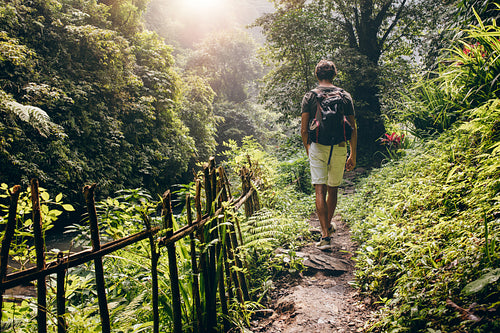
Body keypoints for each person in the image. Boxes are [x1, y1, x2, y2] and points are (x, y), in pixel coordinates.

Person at [300, 59, 357, 250]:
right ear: (334, 75)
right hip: (340, 146)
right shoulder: (345, 96)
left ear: (317, 75)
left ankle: (324, 235)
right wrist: (352, 154)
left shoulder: (310, 96)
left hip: (317, 145)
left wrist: (309, 150)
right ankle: (328, 227)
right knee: (333, 189)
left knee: (319, 189)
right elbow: (353, 127)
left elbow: (304, 130)